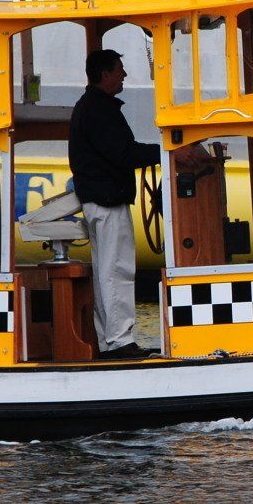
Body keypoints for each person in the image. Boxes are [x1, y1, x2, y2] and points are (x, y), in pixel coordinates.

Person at [69, 49, 207, 359]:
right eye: (119, 69)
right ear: (104, 74)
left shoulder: (92, 107)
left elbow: (122, 152)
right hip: (107, 202)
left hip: (101, 199)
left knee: (107, 270)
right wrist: (170, 153)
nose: (124, 75)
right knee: (116, 270)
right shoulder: (99, 110)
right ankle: (120, 342)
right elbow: (124, 153)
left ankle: (109, 341)